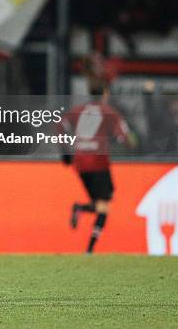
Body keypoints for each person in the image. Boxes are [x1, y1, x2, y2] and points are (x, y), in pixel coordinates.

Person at [60, 80, 136, 253]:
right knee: (104, 207)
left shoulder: (78, 111)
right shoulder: (109, 112)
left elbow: (61, 125)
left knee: (99, 204)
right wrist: (131, 143)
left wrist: (65, 151)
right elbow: (123, 137)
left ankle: (82, 213)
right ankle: (90, 248)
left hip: (80, 162)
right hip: (98, 161)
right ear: (105, 94)